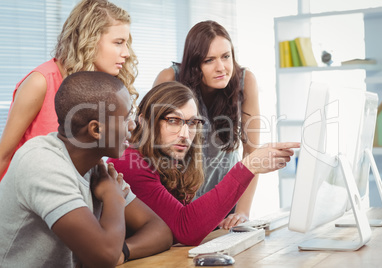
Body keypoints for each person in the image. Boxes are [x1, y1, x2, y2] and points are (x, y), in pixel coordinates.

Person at [0, 72, 172, 267]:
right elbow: (103, 257)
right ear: (96, 130)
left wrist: (122, 252)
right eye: (125, 118)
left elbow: (160, 230)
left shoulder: (98, 168)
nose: (132, 125)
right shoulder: (42, 163)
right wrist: (113, 198)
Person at [108, 81, 299, 245]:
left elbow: (181, 223)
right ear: (144, 121)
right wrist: (248, 167)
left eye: (192, 123)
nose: (185, 134)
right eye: (173, 120)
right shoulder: (129, 162)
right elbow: (185, 229)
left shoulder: (170, 158)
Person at [0, 0, 138, 180]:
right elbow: (3, 155)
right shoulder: (40, 82)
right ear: (89, 40)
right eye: (118, 42)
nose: (126, 53)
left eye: (126, 43)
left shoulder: (100, 87)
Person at [153, 20, 260, 229]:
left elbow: (252, 153)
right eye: (209, 60)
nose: (221, 68)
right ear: (194, 64)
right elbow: (152, 148)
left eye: (226, 57)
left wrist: (243, 212)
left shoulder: (245, 81)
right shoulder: (170, 77)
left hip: (226, 199)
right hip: (179, 201)